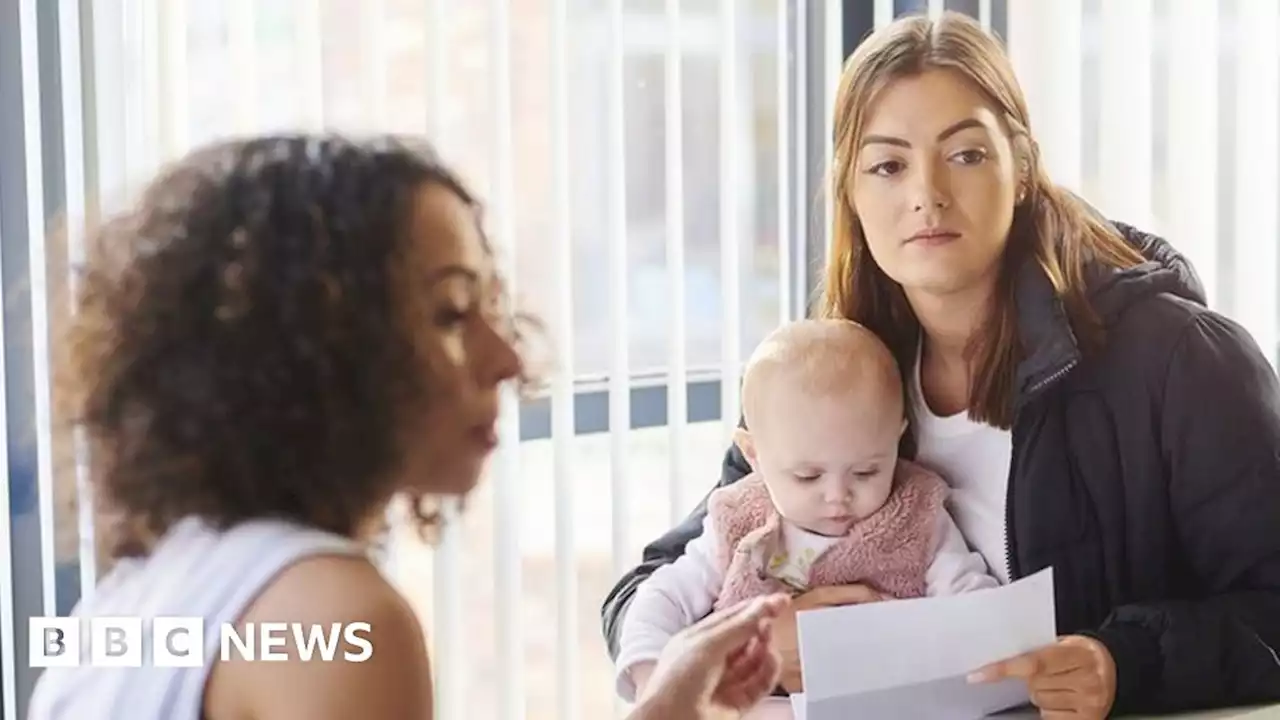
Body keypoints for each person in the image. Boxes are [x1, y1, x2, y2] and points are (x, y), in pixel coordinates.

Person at [602, 11, 1280, 718]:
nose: (926, 193)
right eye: (888, 166)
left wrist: (1123, 660)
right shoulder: (830, 375)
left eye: (965, 154)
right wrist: (760, 638)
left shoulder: (1180, 363)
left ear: (1021, 168)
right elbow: (655, 584)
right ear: (851, 193)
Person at [28, 134, 785, 720]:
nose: (508, 356)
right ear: (317, 351)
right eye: (452, 314)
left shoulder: (135, 596)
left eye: (491, 307)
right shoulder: (339, 615)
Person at [614, 318, 998, 699]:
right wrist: (654, 679)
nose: (837, 496)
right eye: (807, 476)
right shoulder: (738, 520)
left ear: (897, 438)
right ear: (754, 455)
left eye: (867, 471)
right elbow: (662, 596)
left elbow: (974, 605)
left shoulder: (917, 515)